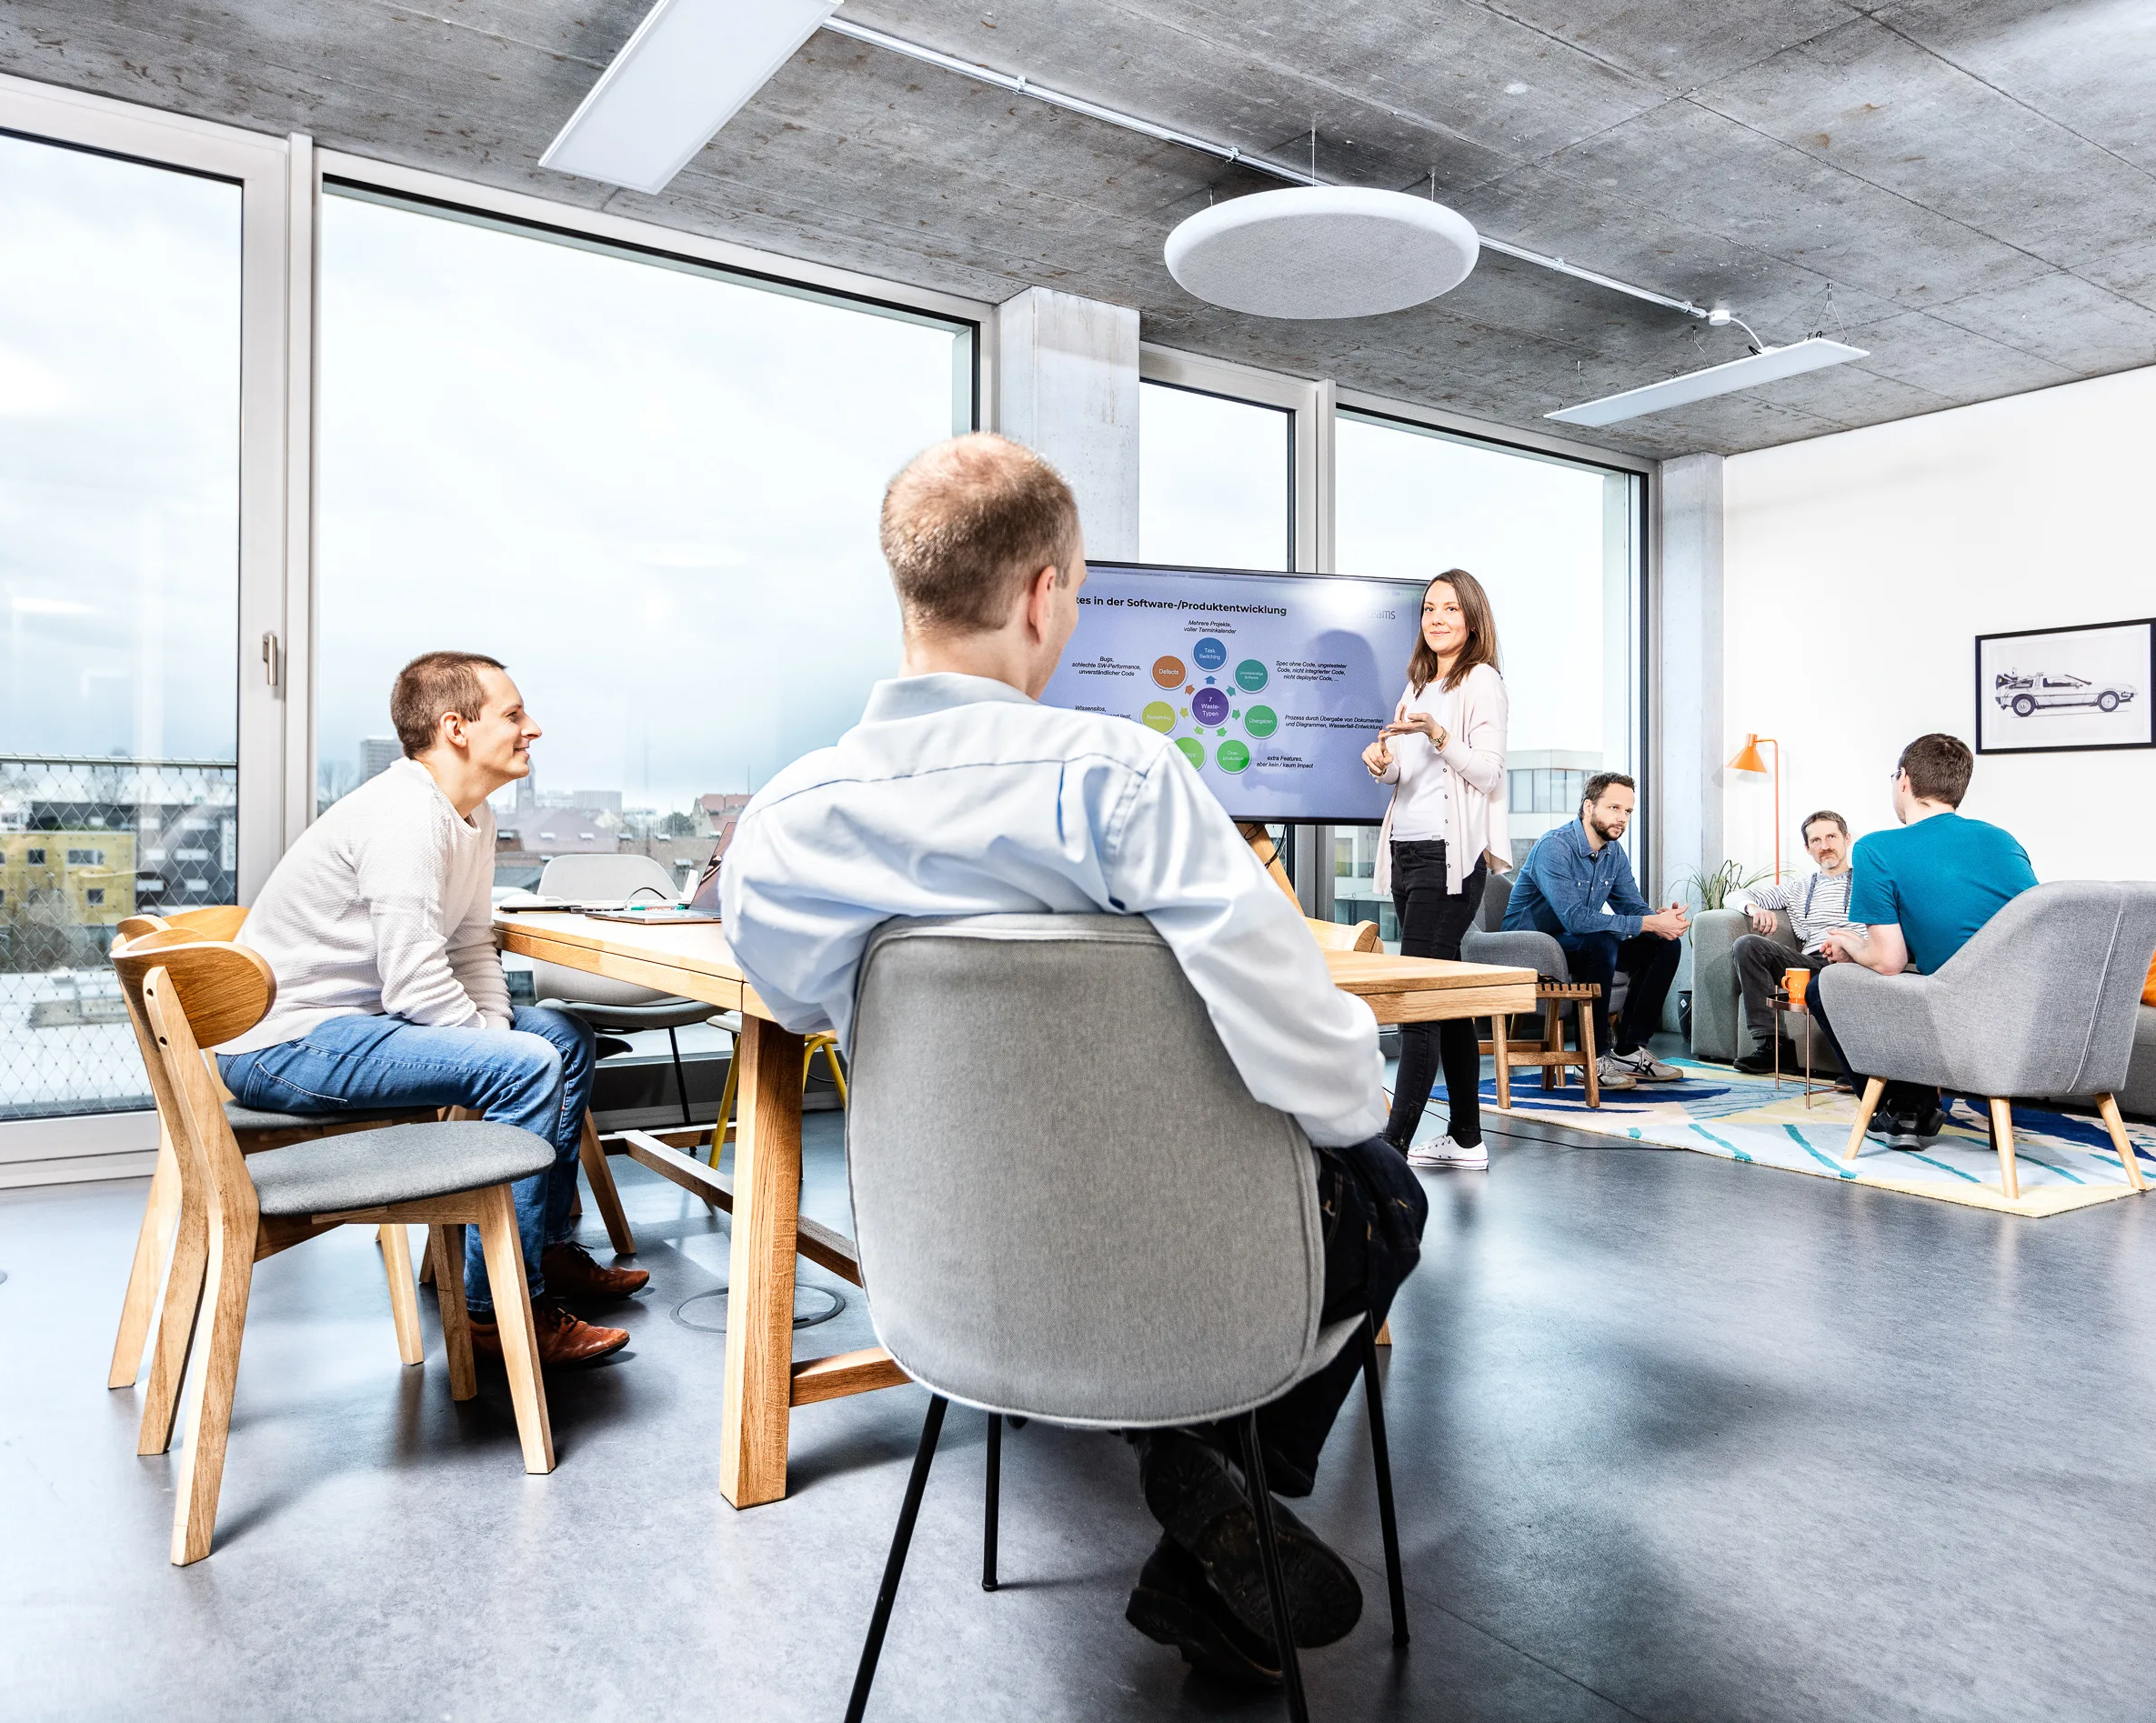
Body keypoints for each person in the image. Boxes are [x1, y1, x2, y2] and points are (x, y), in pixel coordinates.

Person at [720, 433, 1424, 1688]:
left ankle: (1200, 1513)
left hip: (949, 1282)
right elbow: (1305, 1045)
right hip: (1189, 1272)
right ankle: (1208, 1503)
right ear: (1045, 594)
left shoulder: (781, 830)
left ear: (910, 592)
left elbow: (811, 1009)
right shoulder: (1122, 778)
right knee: (1387, 1188)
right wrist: (1358, 1110)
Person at [215, 652, 644, 1367]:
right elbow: (416, 984)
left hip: (367, 1019)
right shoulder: (406, 816)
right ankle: (497, 1314)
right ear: (456, 728)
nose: (531, 728)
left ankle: (539, 1252)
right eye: (512, 715)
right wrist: (501, 1056)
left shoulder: (468, 818)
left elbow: (473, 949)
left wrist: (498, 1039)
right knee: (528, 1064)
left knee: (561, 1037)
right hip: (288, 1043)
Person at [1809, 733, 2039, 1150]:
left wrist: (1851, 948)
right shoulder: (2002, 840)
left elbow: (1888, 960)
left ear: (1904, 781)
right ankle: (1914, 1106)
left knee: (1824, 985)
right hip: (2026, 1018)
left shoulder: (1879, 848)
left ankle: (1899, 1110)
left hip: (1960, 1018)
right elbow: (2005, 932)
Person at [1360, 568, 1509, 1164]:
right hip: (1407, 850)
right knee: (1443, 997)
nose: (1437, 618)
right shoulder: (1418, 683)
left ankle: (1391, 1148)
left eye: (1450, 608)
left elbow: (1489, 773)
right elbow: (1406, 773)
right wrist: (1382, 761)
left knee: (1416, 996)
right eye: (1429, 609)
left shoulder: (1482, 681)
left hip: (1451, 859)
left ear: (1472, 618)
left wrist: (1441, 733)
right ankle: (1468, 1139)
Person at [1500, 771, 1690, 1103]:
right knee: (1600, 941)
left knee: (1663, 943)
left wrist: (1659, 920)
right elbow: (1575, 919)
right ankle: (1593, 1057)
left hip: (1577, 943)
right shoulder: (1554, 848)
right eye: (1614, 807)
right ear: (1589, 807)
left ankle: (1630, 1049)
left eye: (1628, 811)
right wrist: (1645, 922)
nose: (1622, 818)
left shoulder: (1613, 854)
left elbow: (1633, 907)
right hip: (1531, 946)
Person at [1730, 810, 1856, 1077]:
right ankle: (1773, 1045)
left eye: (1831, 837)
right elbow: (1736, 895)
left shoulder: (1868, 882)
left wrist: (1852, 949)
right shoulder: (1799, 887)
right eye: (1816, 841)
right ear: (1808, 848)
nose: (1825, 846)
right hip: (1811, 964)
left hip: (1854, 963)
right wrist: (1753, 908)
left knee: (1851, 968)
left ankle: (1858, 1064)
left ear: (1847, 839)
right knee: (1747, 945)